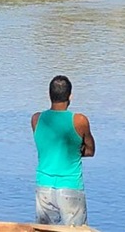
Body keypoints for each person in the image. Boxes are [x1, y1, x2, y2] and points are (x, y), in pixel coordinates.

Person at [32, 75, 96, 226]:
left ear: (49, 95)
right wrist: (76, 150)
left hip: (44, 186)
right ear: (70, 96)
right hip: (70, 186)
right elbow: (90, 150)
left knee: (43, 230)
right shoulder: (79, 120)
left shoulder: (37, 119)